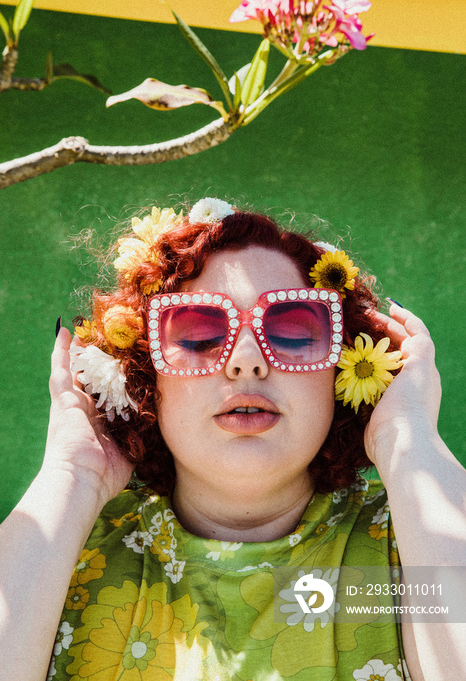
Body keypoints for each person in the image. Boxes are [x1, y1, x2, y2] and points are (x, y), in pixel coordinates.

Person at [0, 198, 464, 681]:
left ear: (343, 365)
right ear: (140, 371)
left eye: (292, 329)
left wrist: (408, 440)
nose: (246, 361)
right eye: (199, 332)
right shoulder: (61, 552)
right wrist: (73, 475)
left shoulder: (410, 542)